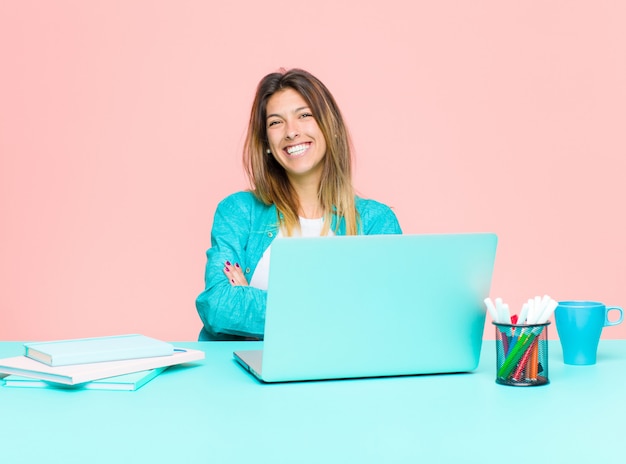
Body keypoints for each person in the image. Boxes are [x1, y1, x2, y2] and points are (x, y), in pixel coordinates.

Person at [195, 68, 402, 341]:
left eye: (304, 115)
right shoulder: (239, 211)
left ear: (331, 128)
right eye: (275, 122)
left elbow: (389, 315)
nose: (291, 132)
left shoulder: (377, 222)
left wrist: (252, 299)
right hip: (246, 380)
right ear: (266, 142)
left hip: (342, 378)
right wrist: (338, 309)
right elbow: (219, 306)